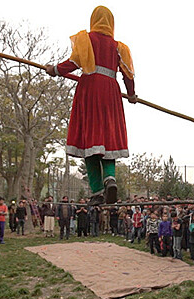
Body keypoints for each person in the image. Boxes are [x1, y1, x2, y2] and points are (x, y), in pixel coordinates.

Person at [45, 6, 137, 206]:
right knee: (107, 137)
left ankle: (96, 191)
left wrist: (55, 69)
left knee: (90, 140)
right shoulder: (119, 47)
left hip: (90, 89)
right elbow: (128, 74)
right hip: (111, 91)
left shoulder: (86, 39)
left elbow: (74, 62)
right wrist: (131, 95)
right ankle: (110, 178)